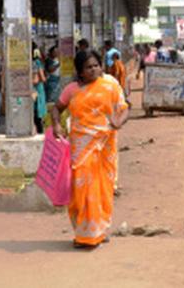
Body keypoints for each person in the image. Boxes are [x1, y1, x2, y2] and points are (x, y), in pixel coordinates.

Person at [54, 49, 129, 249]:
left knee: (103, 188)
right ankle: (83, 233)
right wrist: (56, 125)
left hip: (104, 145)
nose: (94, 69)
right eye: (89, 67)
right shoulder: (71, 89)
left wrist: (118, 121)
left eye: (96, 65)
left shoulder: (110, 84)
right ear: (80, 71)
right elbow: (57, 108)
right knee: (80, 190)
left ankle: (100, 230)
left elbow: (124, 107)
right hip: (80, 147)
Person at [33, 48, 48, 133]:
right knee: (39, 112)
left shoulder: (30, 62)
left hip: (33, 88)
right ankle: (40, 131)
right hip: (38, 88)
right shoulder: (38, 63)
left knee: (35, 110)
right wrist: (45, 78)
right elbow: (41, 78)